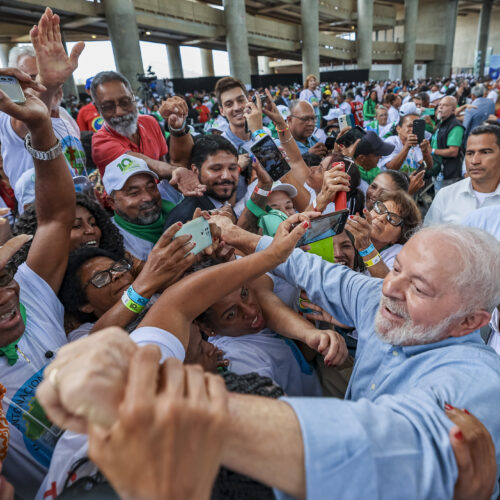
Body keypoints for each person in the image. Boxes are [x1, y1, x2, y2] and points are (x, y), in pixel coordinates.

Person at [38, 219, 500, 500]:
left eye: (418, 287)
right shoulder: (384, 304)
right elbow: (314, 272)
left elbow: (407, 449)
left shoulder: (475, 380)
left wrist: (177, 413)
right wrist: (250, 240)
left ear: (469, 322)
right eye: (396, 268)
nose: (389, 288)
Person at [0, 12, 79, 495]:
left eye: (3, 273)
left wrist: (45, 128)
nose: (7, 293)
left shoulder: (29, 289)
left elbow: (55, 220)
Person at [90, 71, 202, 203]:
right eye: (108, 106)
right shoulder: (100, 142)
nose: (119, 112)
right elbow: (153, 166)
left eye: (125, 102)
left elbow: (167, 165)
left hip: (160, 201)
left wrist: (178, 127)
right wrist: (176, 171)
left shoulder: (149, 122)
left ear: (133, 97)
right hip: (130, 214)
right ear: (97, 109)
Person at [0, 39, 86, 202]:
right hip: (42, 217)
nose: (45, 84)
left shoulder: (64, 115)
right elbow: (28, 121)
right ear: (14, 80)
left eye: (49, 73)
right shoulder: (8, 116)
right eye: (33, 77)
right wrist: (48, 84)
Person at [11, 193, 125, 268]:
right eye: (76, 226)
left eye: (93, 223)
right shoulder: (43, 283)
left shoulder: (116, 266)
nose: (90, 230)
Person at [102, 154, 176, 261]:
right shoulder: (111, 240)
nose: (148, 197)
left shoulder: (173, 201)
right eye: (134, 193)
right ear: (112, 202)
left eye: (151, 187)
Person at [425, 124, 500, 225]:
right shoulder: (446, 195)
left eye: (485, 152)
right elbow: (428, 237)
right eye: (470, 153)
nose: (474, 161)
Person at [164, 135, 240, 226]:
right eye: (216, 168)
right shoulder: (186, 219)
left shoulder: (224, 206)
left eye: (232, 168)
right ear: (195, 170)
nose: (226, 176)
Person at [346, 189, 422, 277]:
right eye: (380, 209)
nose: (382, 218)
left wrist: (366, 248)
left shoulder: (398, 254)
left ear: (398, 237)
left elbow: (385, 285)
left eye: (393, 219)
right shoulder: (349, 224)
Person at [431, 95, 465, 185]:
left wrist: (432, 151)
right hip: (437, 170)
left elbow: (453, 151)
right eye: (439, 105)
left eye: (445, 105)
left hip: (448, 174)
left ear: (453, 109)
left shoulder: (455, 126)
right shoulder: (441, 122)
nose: (440, 107)